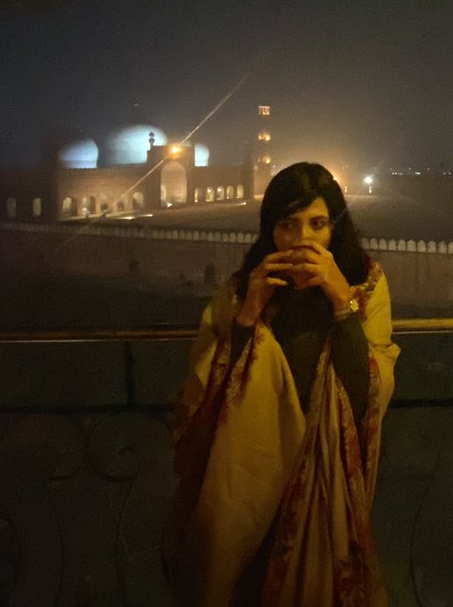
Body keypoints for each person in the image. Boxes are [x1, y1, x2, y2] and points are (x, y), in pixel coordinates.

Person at [164, 162, 399, 606]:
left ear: (336, 227)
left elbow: (366, 393)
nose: (302, 240)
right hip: (249, 481)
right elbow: (205, 392)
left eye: (317, 224)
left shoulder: (364, 285)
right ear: (270, 229)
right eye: (288, 226)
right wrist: (249, 315)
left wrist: (341, 301)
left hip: (323, 479)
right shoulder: (243, 290)